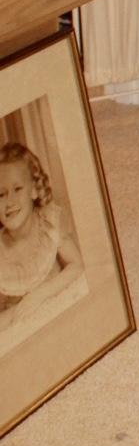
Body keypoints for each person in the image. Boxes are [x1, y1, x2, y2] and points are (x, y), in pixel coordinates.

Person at [0, 142, 83, 336]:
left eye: (17, 189)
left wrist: (39, 296)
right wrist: (20, 310)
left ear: (34, 190)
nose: (9, 202)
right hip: (23, 332)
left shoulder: (48, 223)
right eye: (1, 194)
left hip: (62, 315)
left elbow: (77, 265)